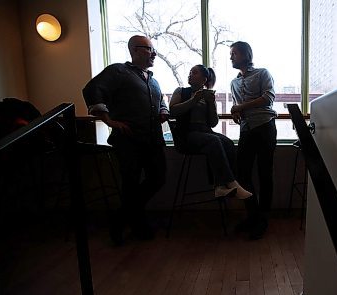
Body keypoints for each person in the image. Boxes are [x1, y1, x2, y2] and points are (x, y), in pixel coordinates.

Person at [82, 35, 168, 245]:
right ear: (134, 50)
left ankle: (122, 218)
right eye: (149, 49)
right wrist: (109, 121)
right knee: (130, 183)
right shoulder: (118, 71)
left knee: (158, 177)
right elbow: (92, 89)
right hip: (128, 139)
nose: (154, 53)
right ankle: (134, 225)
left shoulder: (153, 80)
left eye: (153, 49)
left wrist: (164, 110)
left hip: (153, 139)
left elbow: (161, 101)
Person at [168, 64, 252, 199]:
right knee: (213, 140)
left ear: (204, 79)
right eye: (190, 72)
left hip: (204, 131)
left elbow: (213, 123)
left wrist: (212, 104)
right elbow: (172, 111)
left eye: (194, 73)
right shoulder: (181, 91)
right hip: (187, 133)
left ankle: (220, 186)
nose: (190, 74)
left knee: (228, 143)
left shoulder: (208, 96)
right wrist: (193, 100)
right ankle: (231, 182)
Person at [229, 41, 277, 240]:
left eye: (234, 53)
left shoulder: (262, 73)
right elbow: (236, 105)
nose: (231, 57)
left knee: (265, 173)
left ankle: (262, 219)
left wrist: (241, 107)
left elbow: (268, 97)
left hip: (265, 126)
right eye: (231, 54)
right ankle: (254, 216)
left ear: (245, 55)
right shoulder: (233, 82)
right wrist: (235, 110)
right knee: (242, 174)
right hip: (246, 130)